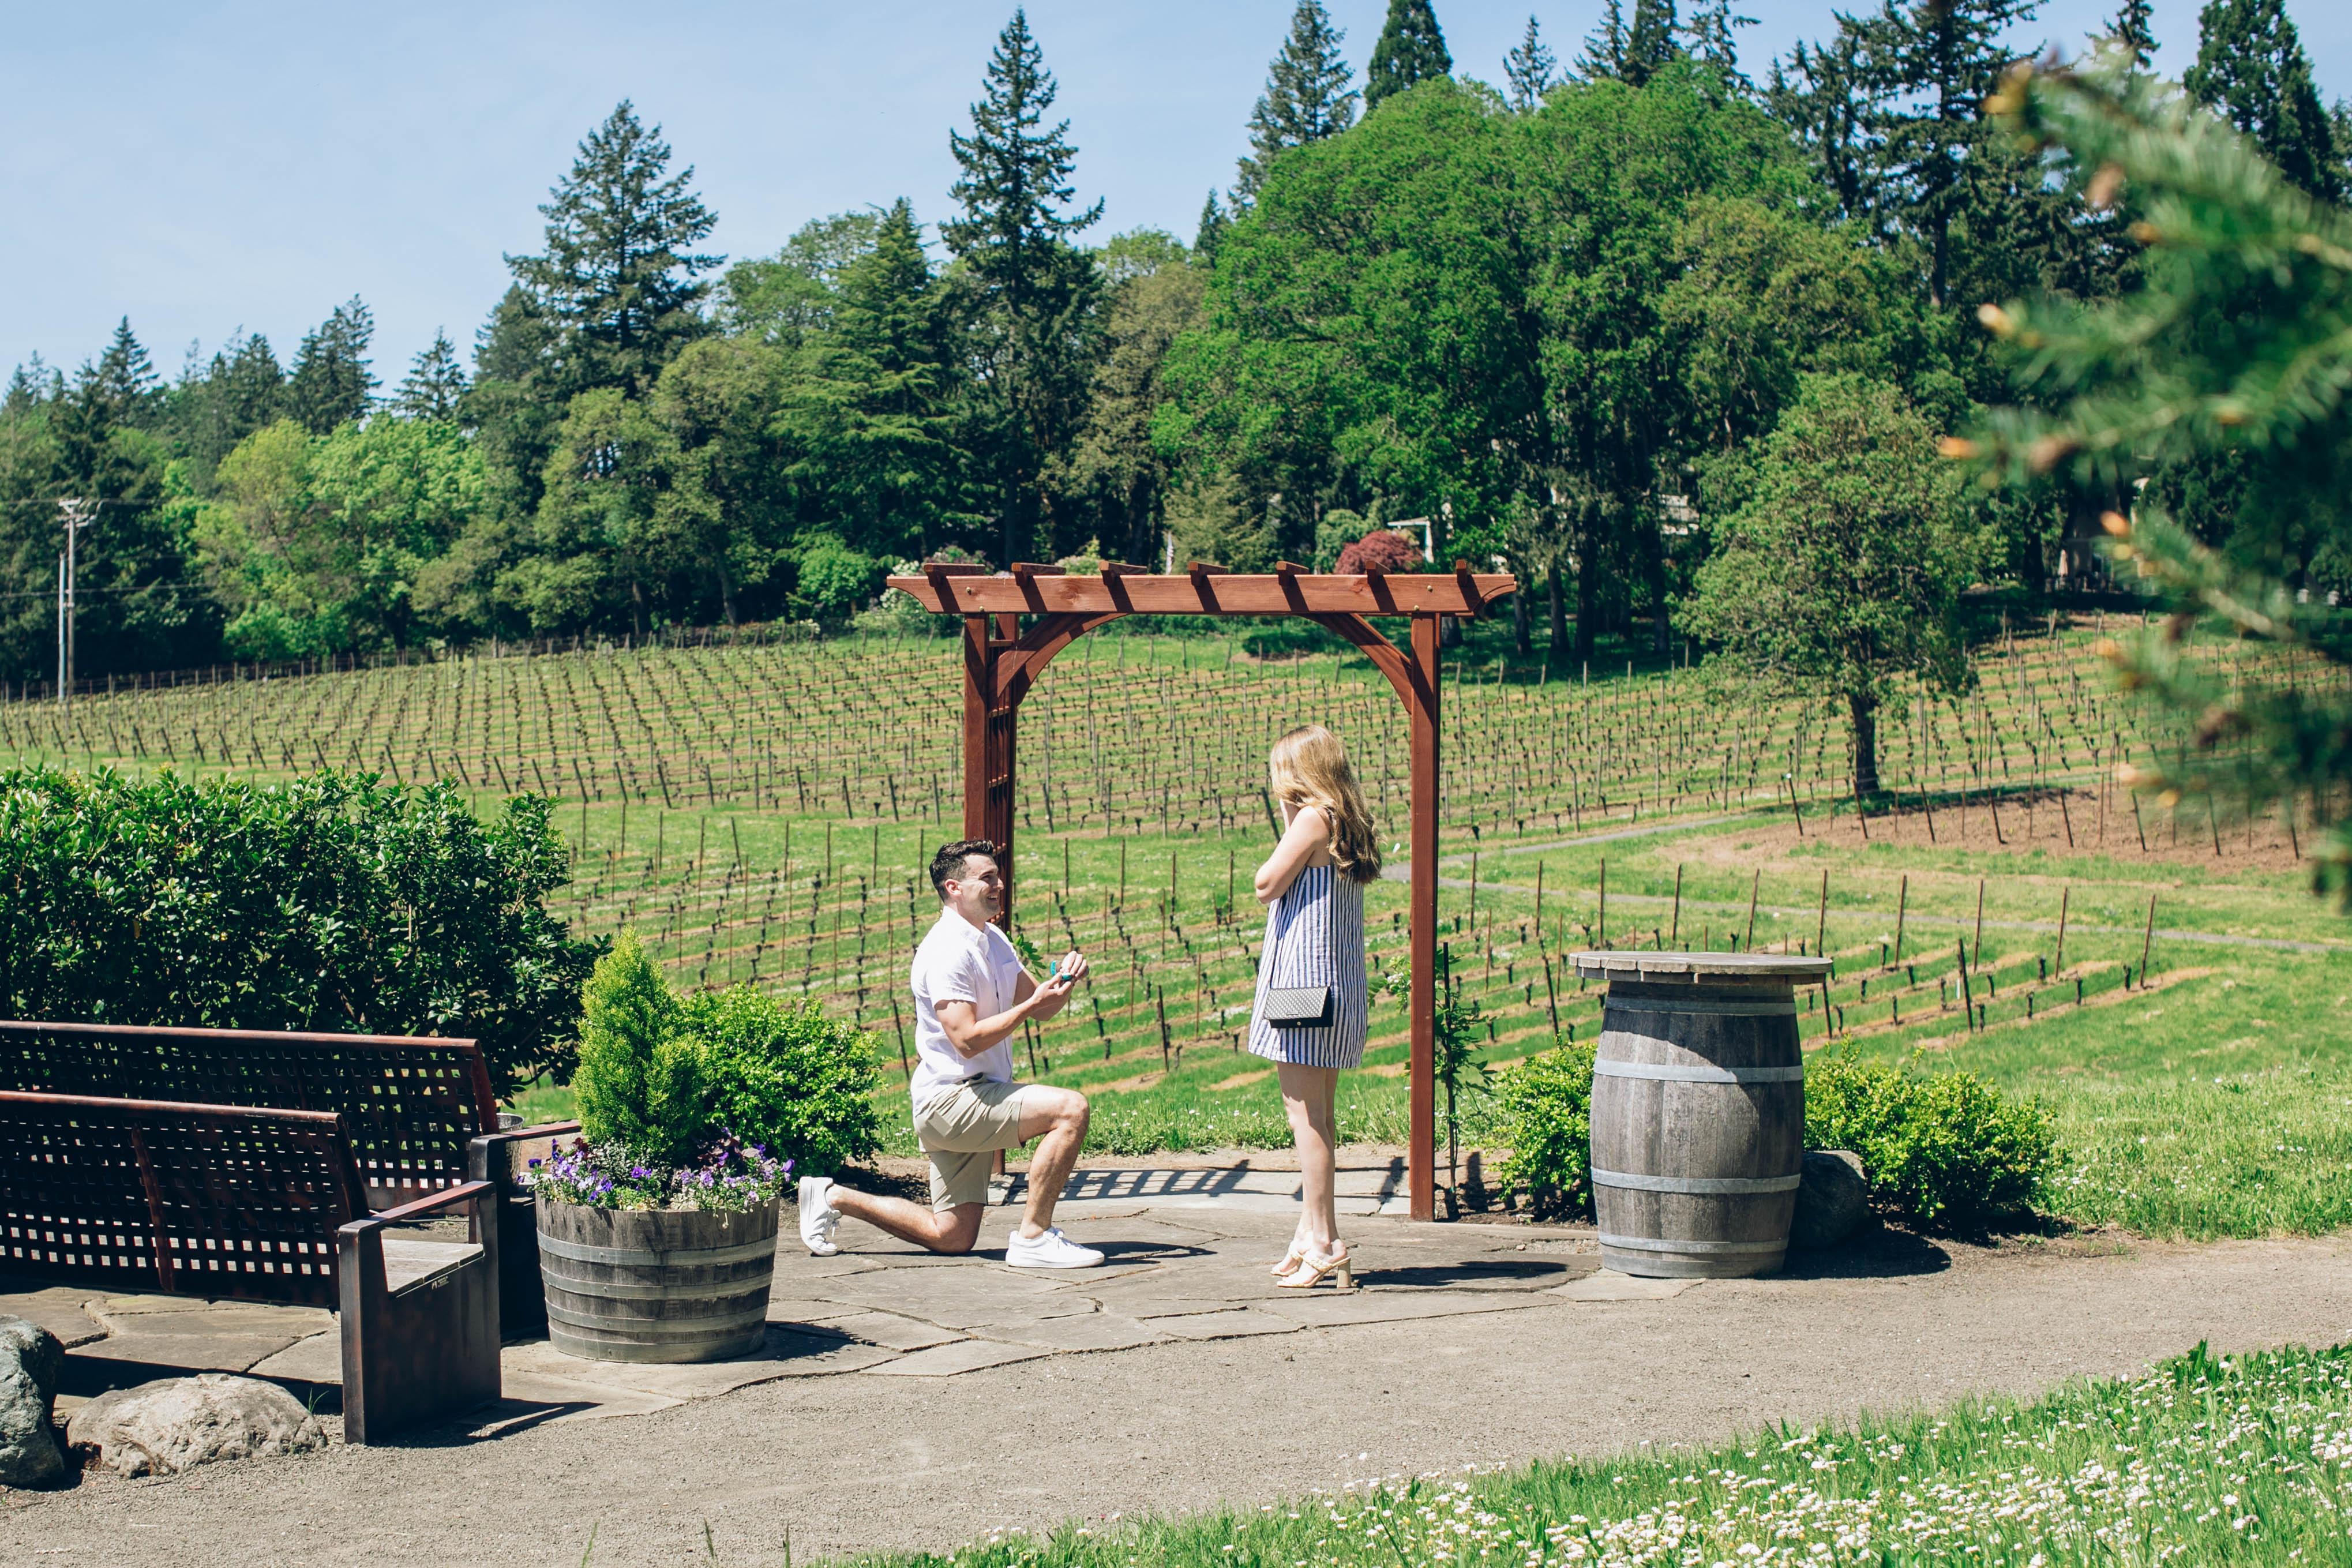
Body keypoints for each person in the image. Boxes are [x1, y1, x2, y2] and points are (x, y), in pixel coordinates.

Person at [795, 839, 1101, 1268]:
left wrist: (1064, 983)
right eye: (987, 878)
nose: (999, 885)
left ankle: (832, 1196)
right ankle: (1034, 1238)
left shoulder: (993, 938)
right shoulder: (945, 951)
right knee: (1070, 1110)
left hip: (976, 1096)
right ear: (954, 888)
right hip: (951, 1102)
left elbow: (1042, 1008)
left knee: (952, 1237)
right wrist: (1031, 1006)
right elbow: (967, 1039)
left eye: (998, 876)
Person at [1248, 724, 1377, 1291]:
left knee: (1305, 1120)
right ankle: (1310, 1234)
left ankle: (1324, 1242)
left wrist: (1288, 817)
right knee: (1320, 1117)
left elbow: (1266, 884)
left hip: (1301, 987)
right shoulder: (1346, 819)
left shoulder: (1311, 818)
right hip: (1336, 984)